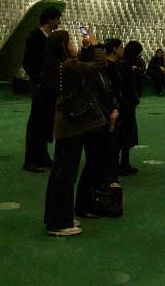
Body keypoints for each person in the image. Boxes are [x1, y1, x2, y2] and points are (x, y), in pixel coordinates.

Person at [43, 30, 107, 236]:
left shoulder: (58, 65)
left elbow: (82, 67)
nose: (73, 44)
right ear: (63, 46)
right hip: (73, 125)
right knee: (66, 175)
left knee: (60, 173)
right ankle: (60, 223)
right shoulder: (68, 66)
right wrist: (96, 46)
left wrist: (86, 50)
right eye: (69, 41)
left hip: (65, 124)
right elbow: (99, 65)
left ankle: (57, 217)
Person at [74, 36, 122, 219]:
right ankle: (83, 205)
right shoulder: (88, 76)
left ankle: (93, 201)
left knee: (99, 165)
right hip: (95, 125)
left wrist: (115, 109)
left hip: (105, 121)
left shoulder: (103, 74)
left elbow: (110, 94)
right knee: (93, 165)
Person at [23, 6, 62, 172]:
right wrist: (38, 79)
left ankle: (42, 155)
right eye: (57, 19)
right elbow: (28, 62)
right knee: (36, 122)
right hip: (41, 85)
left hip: (50, 85)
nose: (59, 22)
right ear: (50, 19)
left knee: (46, 121)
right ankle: (31, 159)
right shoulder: (35, 37)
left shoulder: (50, 37)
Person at [111, 40, 142, 175]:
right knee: (125, 134)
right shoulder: (127, 65)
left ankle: (121, 163)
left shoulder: (121, 63)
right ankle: (123, 164)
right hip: (127, 104)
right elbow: (128, 87)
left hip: (123, 103)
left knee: (122, 134)